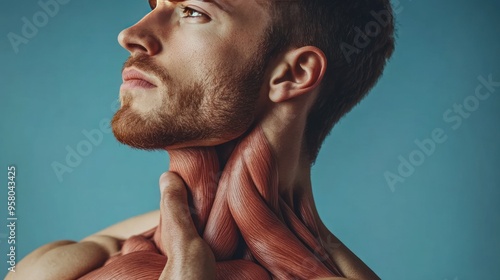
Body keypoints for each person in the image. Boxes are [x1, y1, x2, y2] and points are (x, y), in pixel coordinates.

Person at [8, 0, 395, 279]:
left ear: (292, 74)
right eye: (155, 3)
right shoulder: (60, 267)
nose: (132, 35)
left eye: (193, 11)